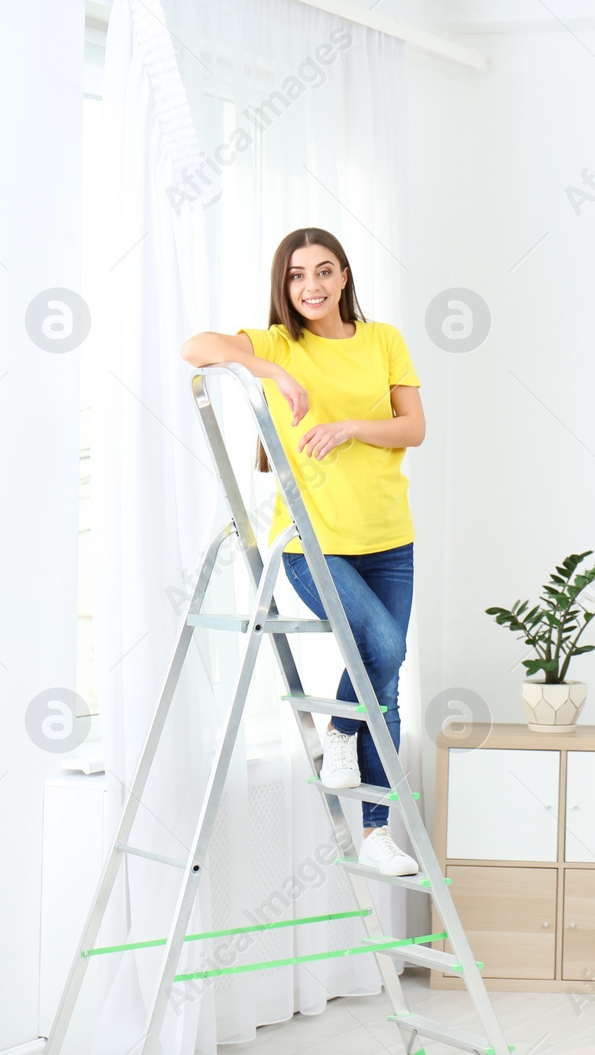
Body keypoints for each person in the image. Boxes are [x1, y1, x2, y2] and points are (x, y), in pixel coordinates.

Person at [181, 226, 423, 877]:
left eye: (322, 271)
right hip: (313, 546)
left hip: (390, 540)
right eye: (295, 275)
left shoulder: (384, 340)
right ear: (283, 286)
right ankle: (346, 740)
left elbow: (413, 427)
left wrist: (348, 426)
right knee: (385, 649)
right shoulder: (278, 342)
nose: (310, 285)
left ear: (344, 276)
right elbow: (195, 347)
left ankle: (373, 821)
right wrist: (271, 370)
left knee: (384, 671)